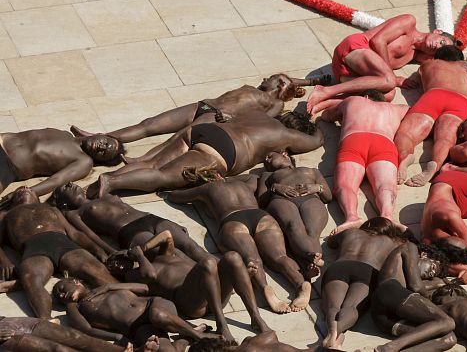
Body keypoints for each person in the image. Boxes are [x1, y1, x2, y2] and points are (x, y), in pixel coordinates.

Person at [165, 174, 310, 312]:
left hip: (233, 221)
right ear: (220, 176)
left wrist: (194, 191)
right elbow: (255, 177)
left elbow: (175, 196)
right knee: (280, 257)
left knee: (253, 260)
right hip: (261, 216)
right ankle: (301, 284)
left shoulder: (207, 188)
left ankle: (265, 288)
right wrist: (228, 178)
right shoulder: (243, 183)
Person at [93, 110, 324, 196]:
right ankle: (111, 182)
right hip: (221, 152)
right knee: (162, 177)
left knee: (153, 163)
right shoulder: (286, 135)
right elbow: (317, 140)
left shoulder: (258, 114)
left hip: (204, 130)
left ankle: (95, 187)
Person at [70, 73, 313, 148]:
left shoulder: (277, 104)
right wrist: (306, 82)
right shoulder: (258, 88)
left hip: (216, 117)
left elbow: (258, 121)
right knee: (149, 124)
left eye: (272, 78)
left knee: (177, 140)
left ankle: (141, 162)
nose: (265, 78)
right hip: (203, 105)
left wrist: (231, 119)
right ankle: (97, 136)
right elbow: (291, 78)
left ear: (280, 86)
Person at [110, 230, 270, 343]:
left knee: (233, 257)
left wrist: (143, 249)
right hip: (191, 302)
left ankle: (255, 316)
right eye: (114, 267)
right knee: (207, 263)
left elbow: (166, 235)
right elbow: (149, 275)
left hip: (215, 293)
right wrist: (139, 256)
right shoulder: (133, 275)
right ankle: (221, 324)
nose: (118, 265)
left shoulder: (163, 255)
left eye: (116, 260)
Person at [306, 14, 460, 114]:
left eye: (440, 48)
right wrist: (393, 76)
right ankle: (325, 91)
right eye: (441, 41)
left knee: (387, 94)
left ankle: (329, 102)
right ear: (437, 31)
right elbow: (377, 40)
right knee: (389, 81)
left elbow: (437, 70)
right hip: (355, 48)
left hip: (348, 74)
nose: (437, 46)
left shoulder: (416, 55)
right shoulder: (409, 23)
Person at [0, 187, 117, 318]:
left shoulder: (52, 209)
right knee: (30, 279)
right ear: (12, 201)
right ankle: (46, 320)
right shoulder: (5, 215)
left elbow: (75, 234)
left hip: (63, 245)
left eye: (31, 190)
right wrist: (5, 261)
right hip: (34, 250)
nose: (25, 189)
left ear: (38, 198)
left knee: (96, 269)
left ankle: (126, 296)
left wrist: (97, 249)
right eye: (18, 192)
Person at [393, 45, 467, 186]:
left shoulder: (428, 65)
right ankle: (435, 165)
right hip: (461, 102)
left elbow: (422, 72)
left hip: (435, 96)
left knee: (406, 134)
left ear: (438, 57)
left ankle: (405, 157)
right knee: (445, 139)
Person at [319, 90, 408, 233]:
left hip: (354, 141)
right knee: (385, 186)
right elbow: (417, 114)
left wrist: (341, 116)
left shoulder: (353, 100)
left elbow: (327, 115)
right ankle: (387, 216)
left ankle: (351, 217)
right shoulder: (397, 108)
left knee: (345, 185)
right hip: (383, 143)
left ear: (366, 97)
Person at [52, 182, 208, 262]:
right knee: (174, 255)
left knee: (192, 246)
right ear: (63, 203)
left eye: (70, 182)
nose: (71, 184)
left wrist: (174, 223)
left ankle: (223, 269)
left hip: (150, 218)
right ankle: (206, 279)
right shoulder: (75, 213)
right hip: (130, 231)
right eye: (65, 187)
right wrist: (110, 251)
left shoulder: (101, 195)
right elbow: (88, 235)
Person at [321, 218, 408, 349]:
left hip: (340, 267)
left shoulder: (351, 232)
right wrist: (399, 227)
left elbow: (331, 242)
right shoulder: (394, 242)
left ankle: (332, 330)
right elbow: (413, 239)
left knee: (332, 307)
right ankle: (338, 331)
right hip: (368, 271)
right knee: (351, 307)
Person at [53, 278, 211, 347]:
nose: (61, 295)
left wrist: (110, 287)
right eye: (58, 297)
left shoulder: (104, 287)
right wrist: (118, 337)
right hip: (136, 328)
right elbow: (87, 330)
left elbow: (144, 288)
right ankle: (186, 337)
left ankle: (199, 336)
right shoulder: (75, 308)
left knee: (159, 317)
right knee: (164, 350)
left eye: (61, 288)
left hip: (153, 306)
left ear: (75, 282)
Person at [0, 128, 123, 207]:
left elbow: (56, 181)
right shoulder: (64, 134)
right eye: (105, 143)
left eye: (103, 153)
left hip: (9, 166)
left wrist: (24, 192)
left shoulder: (84, 162)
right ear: (100, 134)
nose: (101, 147)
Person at [371, 241, 456, 352]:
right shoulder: (409, 247)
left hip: (386, 321)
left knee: (448, 338)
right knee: (447, 322)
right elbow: (416, 286)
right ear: (424, 255)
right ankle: (389, 348)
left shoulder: (406, 280)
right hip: (388, 291)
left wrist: (437, 283)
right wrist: (432, 292)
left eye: (433, 274)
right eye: (433, 266)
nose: (431, 273)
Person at [258, 151, 331, 270]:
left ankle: (309, 264)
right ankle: (311, 256)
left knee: (312, 231)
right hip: (282, 200)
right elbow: (261, 201)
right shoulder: (267, 175)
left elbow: (328, 197)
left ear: (285, 154)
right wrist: (274, 188)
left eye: (269, 155)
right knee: (293, 227)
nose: (266, 159)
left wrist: (317, 187)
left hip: (310, 198)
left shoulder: (312, 170)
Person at [0, 315, 127, 352]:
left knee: (75, 337)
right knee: (57, 349)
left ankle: (123, 351)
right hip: (5, 341)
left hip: (10, 323)